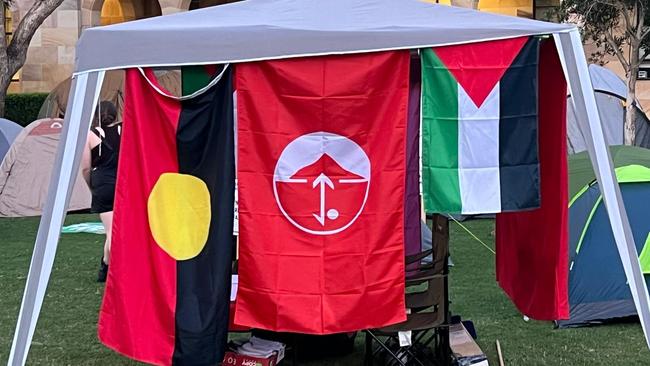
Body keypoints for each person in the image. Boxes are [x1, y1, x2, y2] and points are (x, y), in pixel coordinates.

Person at [81, 101, 121, 282]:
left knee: (112, 233)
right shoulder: (125, 130)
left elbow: (85, 168)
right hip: (123, 182)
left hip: (103, 185)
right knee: (120, 232)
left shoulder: (90, 135)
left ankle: (107, 265)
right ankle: (107, 266)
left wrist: (92, 186)